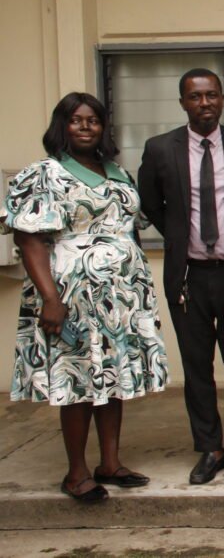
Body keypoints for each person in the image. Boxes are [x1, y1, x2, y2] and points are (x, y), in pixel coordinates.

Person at [2, 92, 168, 502]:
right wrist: (50, 298)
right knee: (78, 381)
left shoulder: (116, 171)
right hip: (72, 294)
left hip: (120, 298)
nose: (86, 126)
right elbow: (30, 238)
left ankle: (109, 462)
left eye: (93, 120)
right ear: (62, 125)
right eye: (76, 120)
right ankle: (76, 473)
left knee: (112, 379)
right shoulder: (46, 173)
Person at [138, 68, 224, 485]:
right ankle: (210, 447)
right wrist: (178, 233)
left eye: (211, 95)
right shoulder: (159, 149)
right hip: (188, 275)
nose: (204, 103)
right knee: (196, 368)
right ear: (183, 102)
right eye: (195, 97)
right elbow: (151, 203)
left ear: (223, 99)